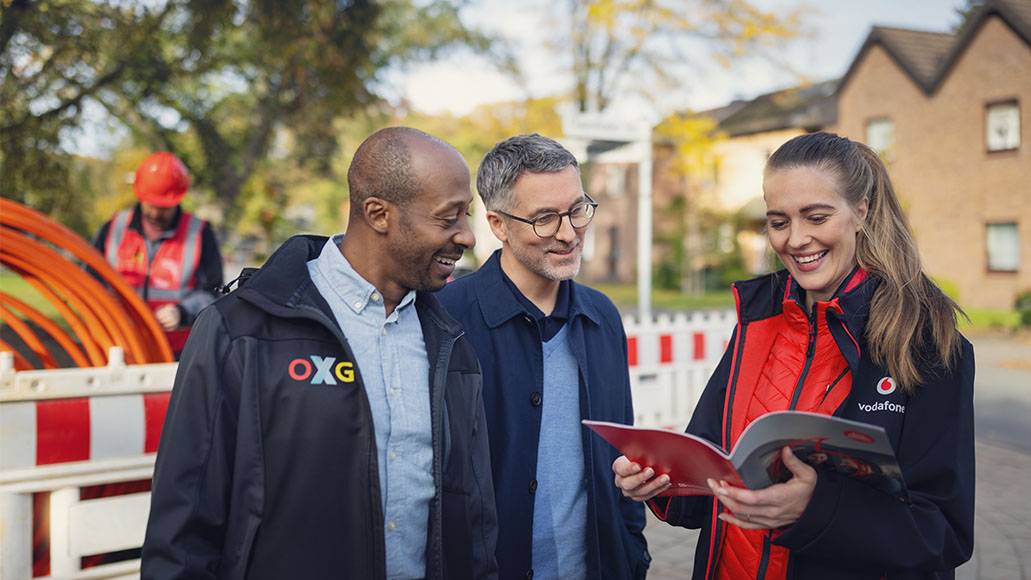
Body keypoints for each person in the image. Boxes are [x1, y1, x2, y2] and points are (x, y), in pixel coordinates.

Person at [613, 132, 974, 579]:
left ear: (861, 211)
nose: (796, 239)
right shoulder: (757, 323)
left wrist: (816, 510)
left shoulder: (927, 343)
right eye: (778, 222)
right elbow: (709, 480)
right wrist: (659, 482)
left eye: (816, 217)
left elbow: (943, 534)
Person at [141, 127, 498, 579]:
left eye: (465, 216)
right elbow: (182, 532)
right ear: (378, 214)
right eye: (449, 218)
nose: (466, 236)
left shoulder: (453, 345)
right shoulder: (240, 333)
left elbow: (475, 525)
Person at [438, 133, 649, 579]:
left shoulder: (602, 316)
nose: (569, 232)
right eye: (544, 218)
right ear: (497, 224)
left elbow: (623, 453)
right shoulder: (444, 319)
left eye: (577, 209)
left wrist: (632, 554)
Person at [92, 152, 223, 358]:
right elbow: (89, 281)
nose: (155, 213)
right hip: (119, 347)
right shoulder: (114, 228)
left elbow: (214, 293)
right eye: (151, 205)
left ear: (177, 199)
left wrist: (182, 312)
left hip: (177, 352)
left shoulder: (199, 233)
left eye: (163, 208)